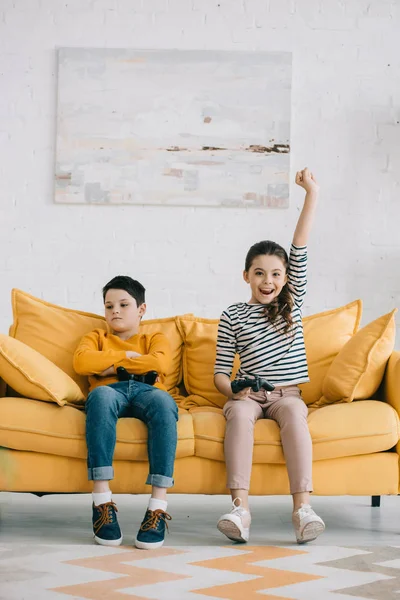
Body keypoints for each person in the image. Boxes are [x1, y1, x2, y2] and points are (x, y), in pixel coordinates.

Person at [214, 167, 325, 545]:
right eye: (259, 273)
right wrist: (233, 391)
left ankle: (303, 510)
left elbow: (301, 243)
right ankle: (240, 509)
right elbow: (219, 372)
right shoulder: (232, 314)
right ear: (245, 275)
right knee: (240, 415)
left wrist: (310, 192)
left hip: (287, 394)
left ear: (286, 278)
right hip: (249, 394)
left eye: (276, 274)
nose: (268, 282)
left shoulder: (292, 302)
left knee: (295, 415)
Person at [73, 275, 178, 550]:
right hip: (111, 389)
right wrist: (126, 361)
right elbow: (82, 361)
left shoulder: (154, 337)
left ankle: (157, 507)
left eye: (123, 304)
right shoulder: (96, 336)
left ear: (141, 309)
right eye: (109, 306)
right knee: (101, 396)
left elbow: (160, 362)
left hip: (148, 391)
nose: (115, 311)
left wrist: (108, 366)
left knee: (166, 404)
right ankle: (102, 502)